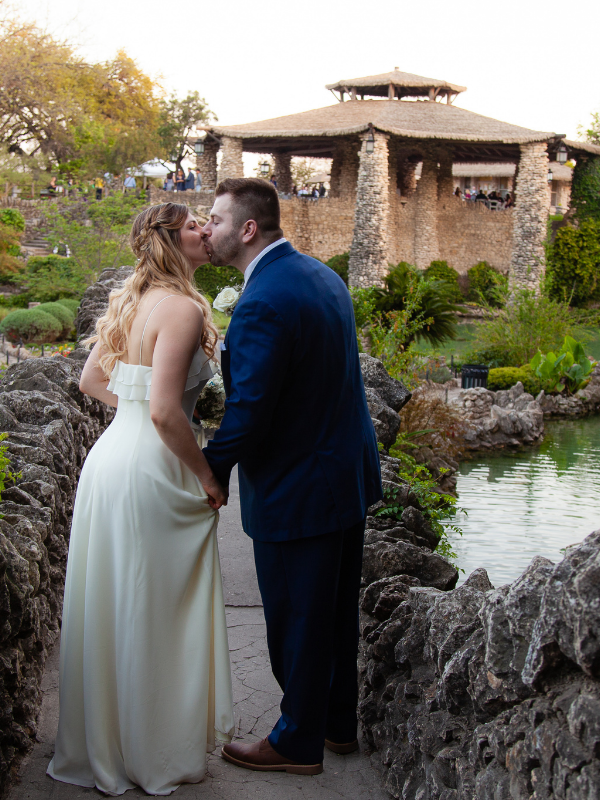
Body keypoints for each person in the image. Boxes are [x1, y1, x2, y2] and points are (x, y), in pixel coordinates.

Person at [47, 202, 234, 795]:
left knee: (120, 600)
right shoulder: (179, 307)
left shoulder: (130, 301)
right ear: (169, 241)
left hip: (111, 459)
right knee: (155, 606)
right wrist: (207, 476)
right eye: (194, 227)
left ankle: (113, 744)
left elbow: (91, 383)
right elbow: (163, 410)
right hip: (154, 464)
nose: (206, 231)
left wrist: (131, 412)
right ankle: (150, 751)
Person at [202, 178, 382, 776]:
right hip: (344, 474)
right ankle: (336, 723)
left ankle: (297, 741)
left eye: (217, 219)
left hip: (297, 486)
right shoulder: (321, 275)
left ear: (248, 229)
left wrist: (211, 467)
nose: (208, 229)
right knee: (332, 611)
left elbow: (250, 409)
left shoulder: (262, 300)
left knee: (296, 619)